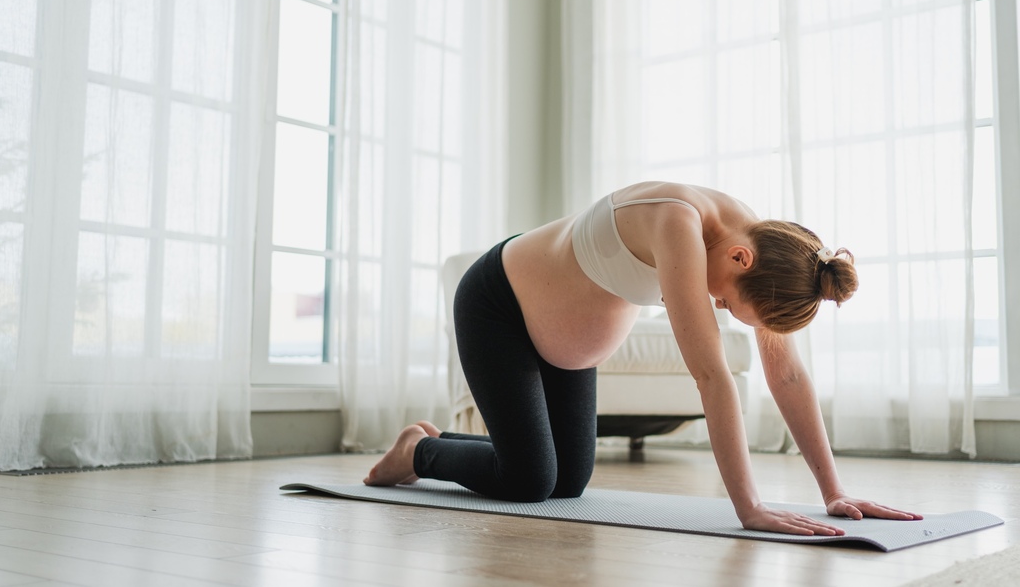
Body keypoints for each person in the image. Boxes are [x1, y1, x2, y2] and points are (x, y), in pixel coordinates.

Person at [364, 181, 922, 536]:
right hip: (498, 307)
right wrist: (748, 507)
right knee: (530, 480)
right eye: (728, 302)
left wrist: (834, 492)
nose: (720, 306)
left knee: (567, 483)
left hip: (558, 343)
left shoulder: (764, 247)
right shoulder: (678, 223)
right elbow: (712, 377)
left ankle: (442, 442)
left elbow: (789, 373)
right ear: (739, 258)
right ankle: (419, 452)